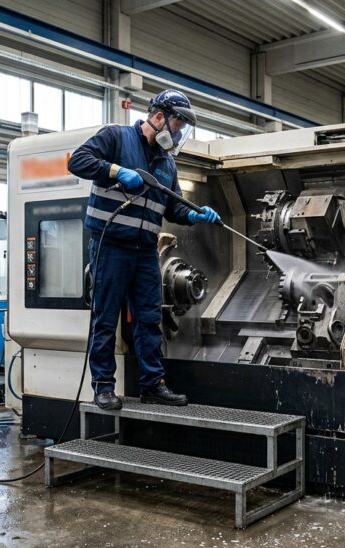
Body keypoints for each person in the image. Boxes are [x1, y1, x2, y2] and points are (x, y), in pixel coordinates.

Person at [67, 90, 221, 410]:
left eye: (182, 126)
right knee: (106, 318)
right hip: (110, 245)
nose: (178, 132)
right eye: (177, 123)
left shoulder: (166, 163)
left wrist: (193, 215)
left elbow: (173, 208)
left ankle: (152, 384)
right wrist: (116, 171)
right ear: (159, 116)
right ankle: (104, 386)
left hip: (144, 251)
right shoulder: (116, 137)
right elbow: (78, 161)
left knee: (149, 318)